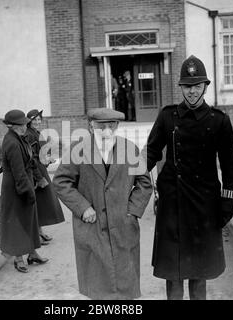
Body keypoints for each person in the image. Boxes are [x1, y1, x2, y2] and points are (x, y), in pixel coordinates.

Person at [144, 55, 233, 300]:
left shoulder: (219, 121)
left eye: (197, 86)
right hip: (172, 206)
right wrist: (128, 180)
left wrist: (228, 204)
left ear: (205, 87)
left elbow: (230, 168)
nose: (192, 91)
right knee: (173, 275)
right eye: (187, 86)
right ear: (181, 88)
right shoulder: (167, 116)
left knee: (199, 273)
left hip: (204, 207)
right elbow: (151, 153)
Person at [53, 108, 152, 299]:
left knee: (124, 284)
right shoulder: (78, 150)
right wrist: (82, 208)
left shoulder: (129, 149)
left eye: (111, 126)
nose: (107, 131)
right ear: (91, 126)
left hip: (123, 226)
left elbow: (145, 183)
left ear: (117, 127)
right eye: (101, 126)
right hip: (92, 226)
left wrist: (132, 210)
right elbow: (61, 181)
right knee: (98, 285)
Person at [0, 109, 48, 273]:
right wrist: (27, 192)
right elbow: (18, 173)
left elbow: (31, 160)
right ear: (10, 126)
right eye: (21, 124)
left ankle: (32, 253)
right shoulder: (12, 143)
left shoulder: (21, 138)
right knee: (18, 221)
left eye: (25, 123)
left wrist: (39, 178)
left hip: (25, 182)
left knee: (30, 219)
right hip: (15, 187)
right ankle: (18, 258)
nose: (24, 126)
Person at [24, 109, 65, 243]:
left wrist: (47, 159)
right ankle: (36, 234)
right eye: (34, 120)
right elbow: (31, 157)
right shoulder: (29, 134)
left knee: (42, 202)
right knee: (38, 202)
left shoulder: (36, 132)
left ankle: (40, 231)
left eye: (38, 119)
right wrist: (39, 173)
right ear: (28, 121)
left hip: (41, 168)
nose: (36, 122)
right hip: (36, 172)